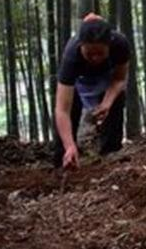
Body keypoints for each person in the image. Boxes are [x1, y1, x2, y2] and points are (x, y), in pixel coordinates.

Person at [53, 14, 130, 168]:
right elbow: (62, 109)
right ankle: (65, 158)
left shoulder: (120, 44)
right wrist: (69, 145)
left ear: (109, 45)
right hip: (79, 81)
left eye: (100, 53)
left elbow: (119, 79)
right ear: (81, 45)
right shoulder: (72, 54)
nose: (95, 58)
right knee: (70, 109)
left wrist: (107, 103)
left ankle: (111, 154)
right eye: (89, 53)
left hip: (106, 78)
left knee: (118, 99)